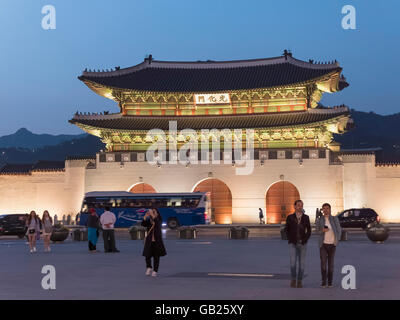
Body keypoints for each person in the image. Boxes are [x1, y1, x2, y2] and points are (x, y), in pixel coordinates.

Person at [285, 200, 311, 288]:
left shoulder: (306, 217)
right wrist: (290, 238)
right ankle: (293, 279)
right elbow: (286, 229)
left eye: (301, 205)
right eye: (298, 205)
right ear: (294, 206)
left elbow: (309, 231)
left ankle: (299, 280)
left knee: (302, 264)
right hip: (292, 243)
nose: (300, 207)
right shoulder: (290, 217)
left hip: (303, 244)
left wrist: (305, 239)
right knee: (292, 263)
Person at [315, 203, 342, 288]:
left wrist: (337, 240)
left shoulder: (334, 219)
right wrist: (322, 230)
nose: (326, 210)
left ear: (330, 209)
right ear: (322, 210)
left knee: (331, 265)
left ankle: (330, 282)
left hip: (332, 245)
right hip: (323, 244)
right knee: (323, 264)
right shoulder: (319, 220)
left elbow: (339, 230)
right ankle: (324, 282)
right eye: (324, 208)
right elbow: (316, 231)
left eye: (327, 208)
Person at [141, 208, 167, 277]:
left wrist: (152, 214)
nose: (152, 213)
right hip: (149, 241)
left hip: (157, 241)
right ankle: (149, 267)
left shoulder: (159, 220)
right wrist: (145, 216)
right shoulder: (150, 220)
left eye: (154, 212)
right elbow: (143, 224)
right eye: (152, 211)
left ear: (157, 213)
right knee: (147, 255)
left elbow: (157, 223)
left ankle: (155, 270)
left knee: (156, 257)